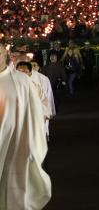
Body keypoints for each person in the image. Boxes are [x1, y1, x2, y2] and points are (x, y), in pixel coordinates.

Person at [0, 44, 51, 209]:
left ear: (5, 54)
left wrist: (33, 141)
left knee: (12, 190)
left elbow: (35, 113)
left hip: (15, 145)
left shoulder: (22, 81)